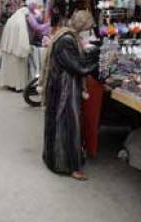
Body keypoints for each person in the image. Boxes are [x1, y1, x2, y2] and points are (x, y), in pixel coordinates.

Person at [40, 10, 99, 181]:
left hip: (61, 89)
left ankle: (57, 160)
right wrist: (96, 55)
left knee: (62, 125)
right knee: (68, 126)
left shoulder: (66, 36)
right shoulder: (66, 40)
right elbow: (78, 66)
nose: (89, 30)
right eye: (88, 27)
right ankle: (69, 166)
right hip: (64, 91)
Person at [0, 7, 31, 91]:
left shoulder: (10, 20)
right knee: (17, 71)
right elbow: (23, 38)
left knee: (10, 70)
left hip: (8, 49)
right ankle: (18, 87)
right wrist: (26, 50)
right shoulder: (21, 22)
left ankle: (10, 85)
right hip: (17, 51)